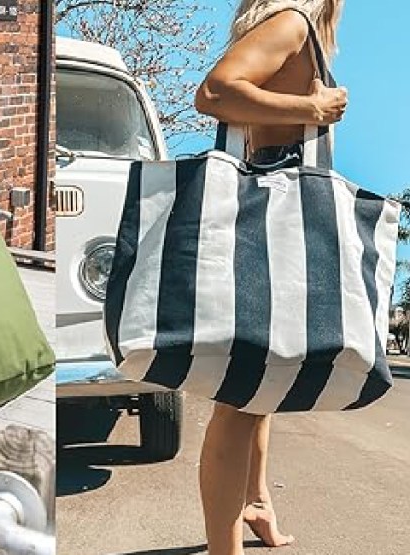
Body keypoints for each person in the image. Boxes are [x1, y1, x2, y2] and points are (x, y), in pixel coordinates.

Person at [194, 1, 347, 554]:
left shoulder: (291, 30)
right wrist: (312, 105)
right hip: (270, 216)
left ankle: (256, 500)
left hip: (268, 209)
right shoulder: (291, 24)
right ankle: (222, 548)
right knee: (239, 396)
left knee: (263, 380)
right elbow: (214, 92)